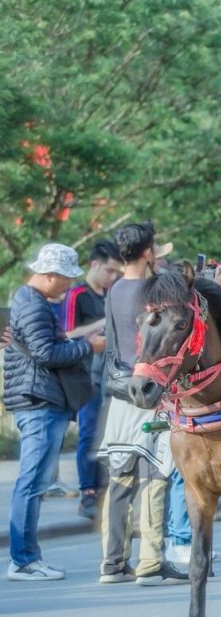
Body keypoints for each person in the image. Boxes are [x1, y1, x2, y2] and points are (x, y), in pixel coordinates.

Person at [4, 244, 105, 580]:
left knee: (34, 482)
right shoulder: (33, 305)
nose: (67, 286)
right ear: (49, 275)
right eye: (64, 279)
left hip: (40, 399)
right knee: (32, 482)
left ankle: (27, 557)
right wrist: (87, 346)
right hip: (39, 401)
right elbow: (46, 354)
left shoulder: (32, 302)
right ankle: (23, 559)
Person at [96, 222, 187, 585]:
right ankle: (150, 560)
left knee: (120, 478)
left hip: (121, 390)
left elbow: (113, 339)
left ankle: (112, 561)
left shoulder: (115, 288)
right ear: (148, 252)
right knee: (154, 475)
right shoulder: (155, 290)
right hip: (152, 391)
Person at [59, 240, 122, 519]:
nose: (112, 277)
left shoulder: (110, 294)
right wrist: (102, 323)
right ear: (94, 265)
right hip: (85, 377)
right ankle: (87, 492)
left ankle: (104, 489)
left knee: (107, 436)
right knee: (88, 435)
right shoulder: (77, 294)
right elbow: (67, 334)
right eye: (109, 271)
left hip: (111, 375)